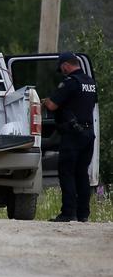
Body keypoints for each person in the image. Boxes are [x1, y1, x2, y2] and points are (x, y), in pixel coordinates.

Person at [42, 52, 97, 223]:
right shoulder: (90, 82)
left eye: (62, 68)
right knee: (82, 174)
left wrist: (43, 101)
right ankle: (83, 214)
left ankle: (68, 213)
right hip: (88, 133)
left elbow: (52, 105)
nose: (62, 71)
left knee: (67, 173)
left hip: (72, 134)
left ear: (66, 65)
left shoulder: (70, 83)